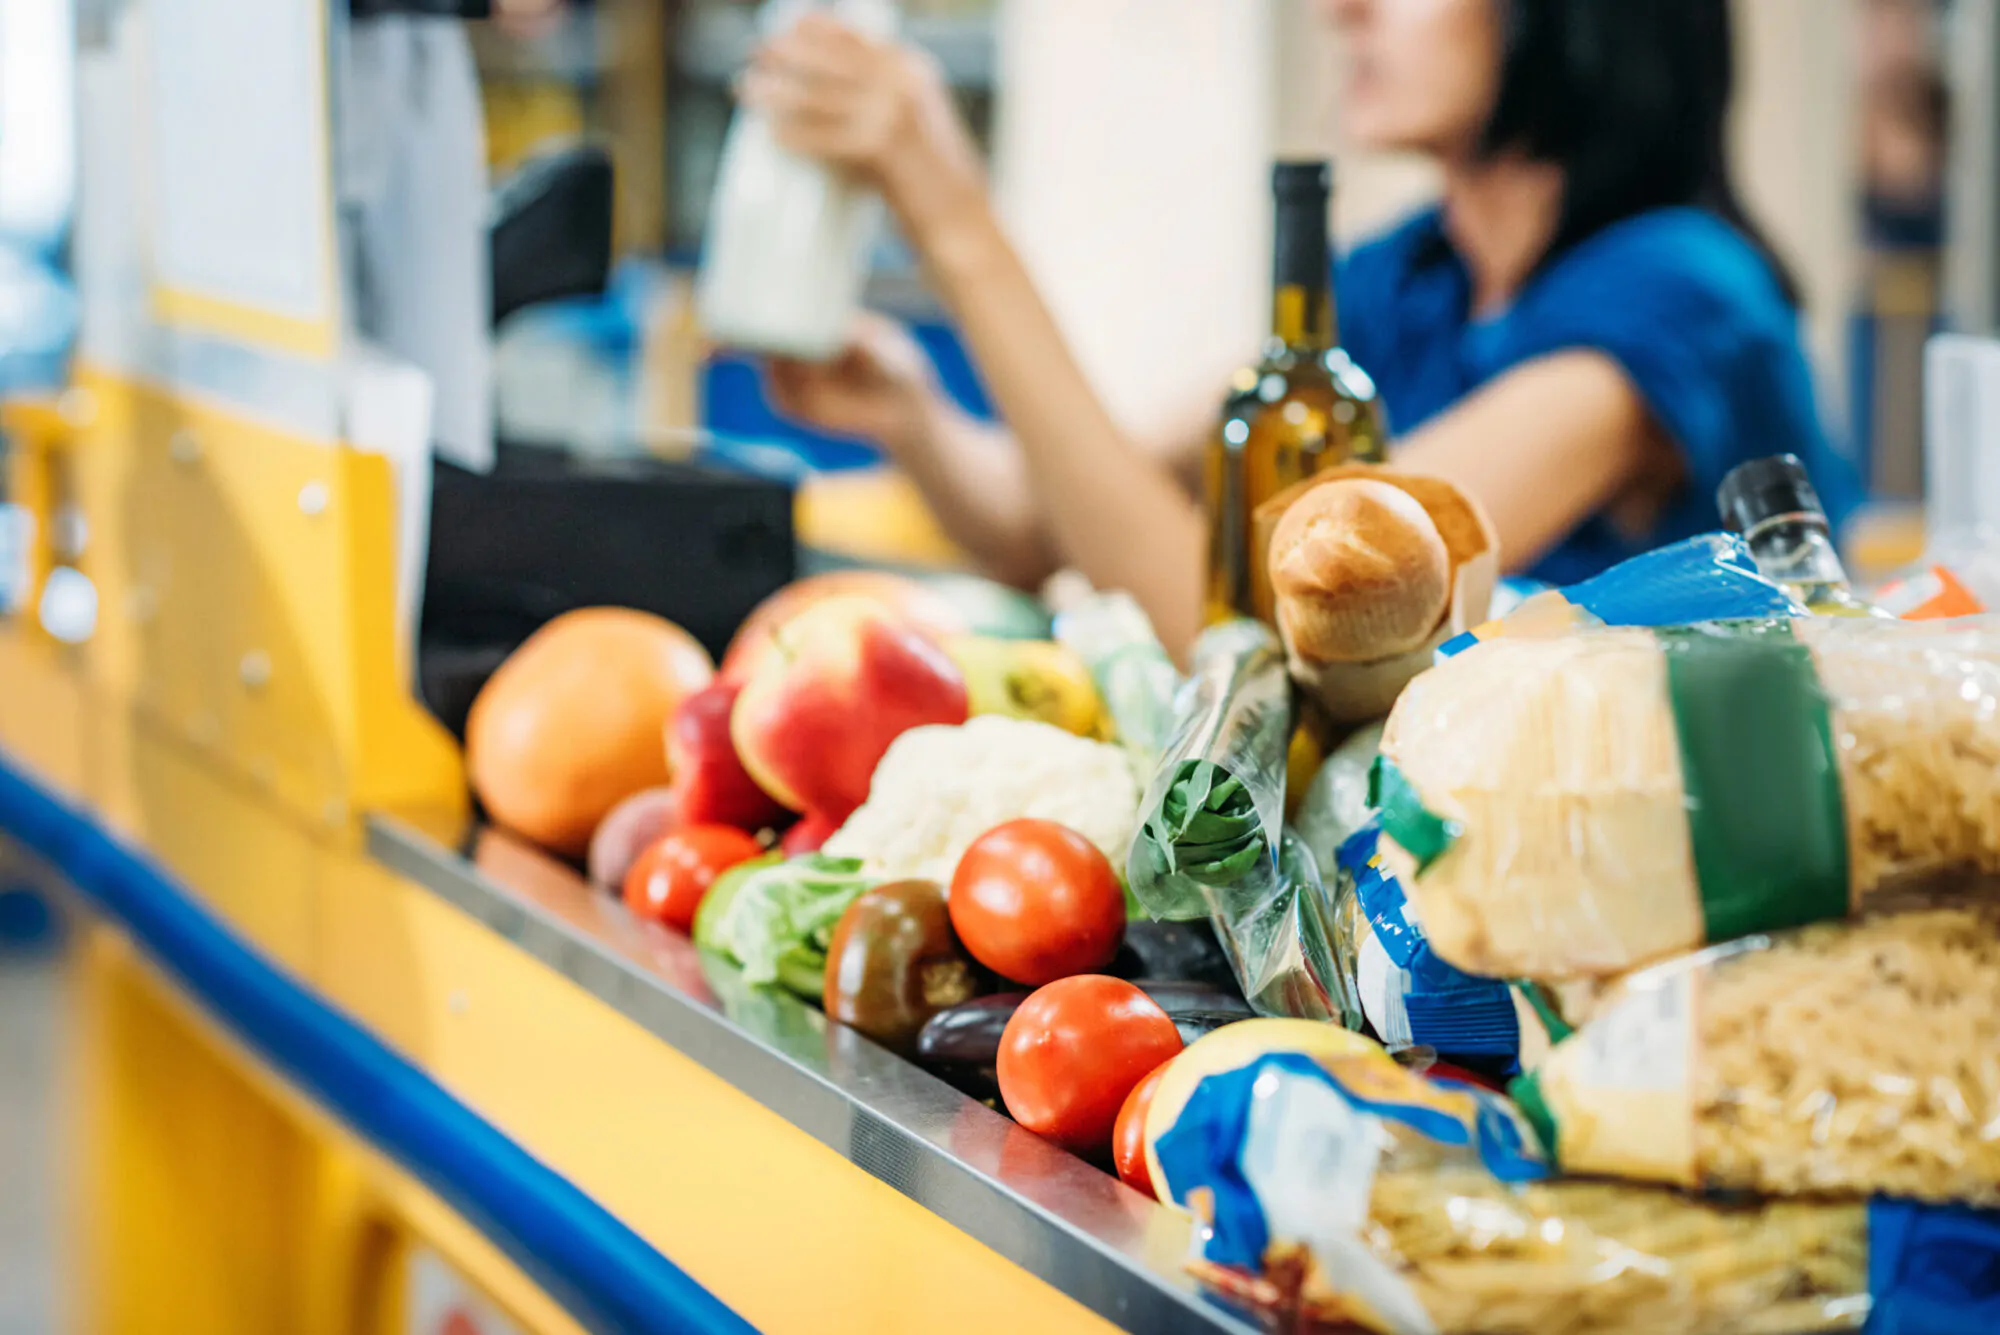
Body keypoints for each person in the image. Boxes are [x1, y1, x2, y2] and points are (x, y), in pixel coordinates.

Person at [739, 0, 1861, 653]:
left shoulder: (1682, 297)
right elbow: (1057, 523)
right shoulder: (1410, 277)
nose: (1343, 10)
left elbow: (1271, 636)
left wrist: (954, 221)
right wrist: (914, 418)